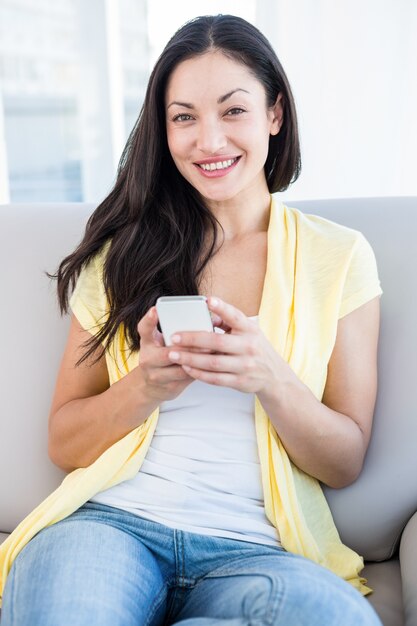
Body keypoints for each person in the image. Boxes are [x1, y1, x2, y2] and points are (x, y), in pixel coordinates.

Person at [0, 14, 383, 626]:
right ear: (164, 129)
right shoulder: (122, 255)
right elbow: (64, 443)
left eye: (233, 110)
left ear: (274, 114)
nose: (208, 141)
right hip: (109, 530)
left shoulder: (338, 258)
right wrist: (143, 387)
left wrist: (270, 377)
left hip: (257, 551)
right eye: (184, 117)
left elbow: (344, 461)